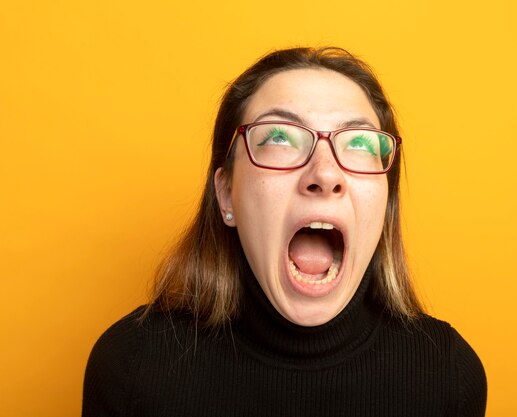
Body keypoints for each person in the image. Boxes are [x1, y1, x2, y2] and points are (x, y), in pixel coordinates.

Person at [82, 47, 487, 417]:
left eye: (360, 142)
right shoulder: (130, 367)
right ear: (226, 194)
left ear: (385, 201)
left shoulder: (448, 376)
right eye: (279, 137)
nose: (325, 173)